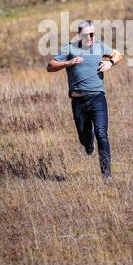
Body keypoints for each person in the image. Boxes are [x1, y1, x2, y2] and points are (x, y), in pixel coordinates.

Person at [47, 20, 123, 181]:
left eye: (93, 33)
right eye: (89, 34)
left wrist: (110, 62)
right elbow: (50, 66)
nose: (92, 36)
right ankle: (88, 144)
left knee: (101, 134)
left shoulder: (100, 46)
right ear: (80, 34)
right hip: (78, 102)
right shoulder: (69, 48)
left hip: (97, 98)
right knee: (85, 137)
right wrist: (68, 62)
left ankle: (106, 174)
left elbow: (118, 54)